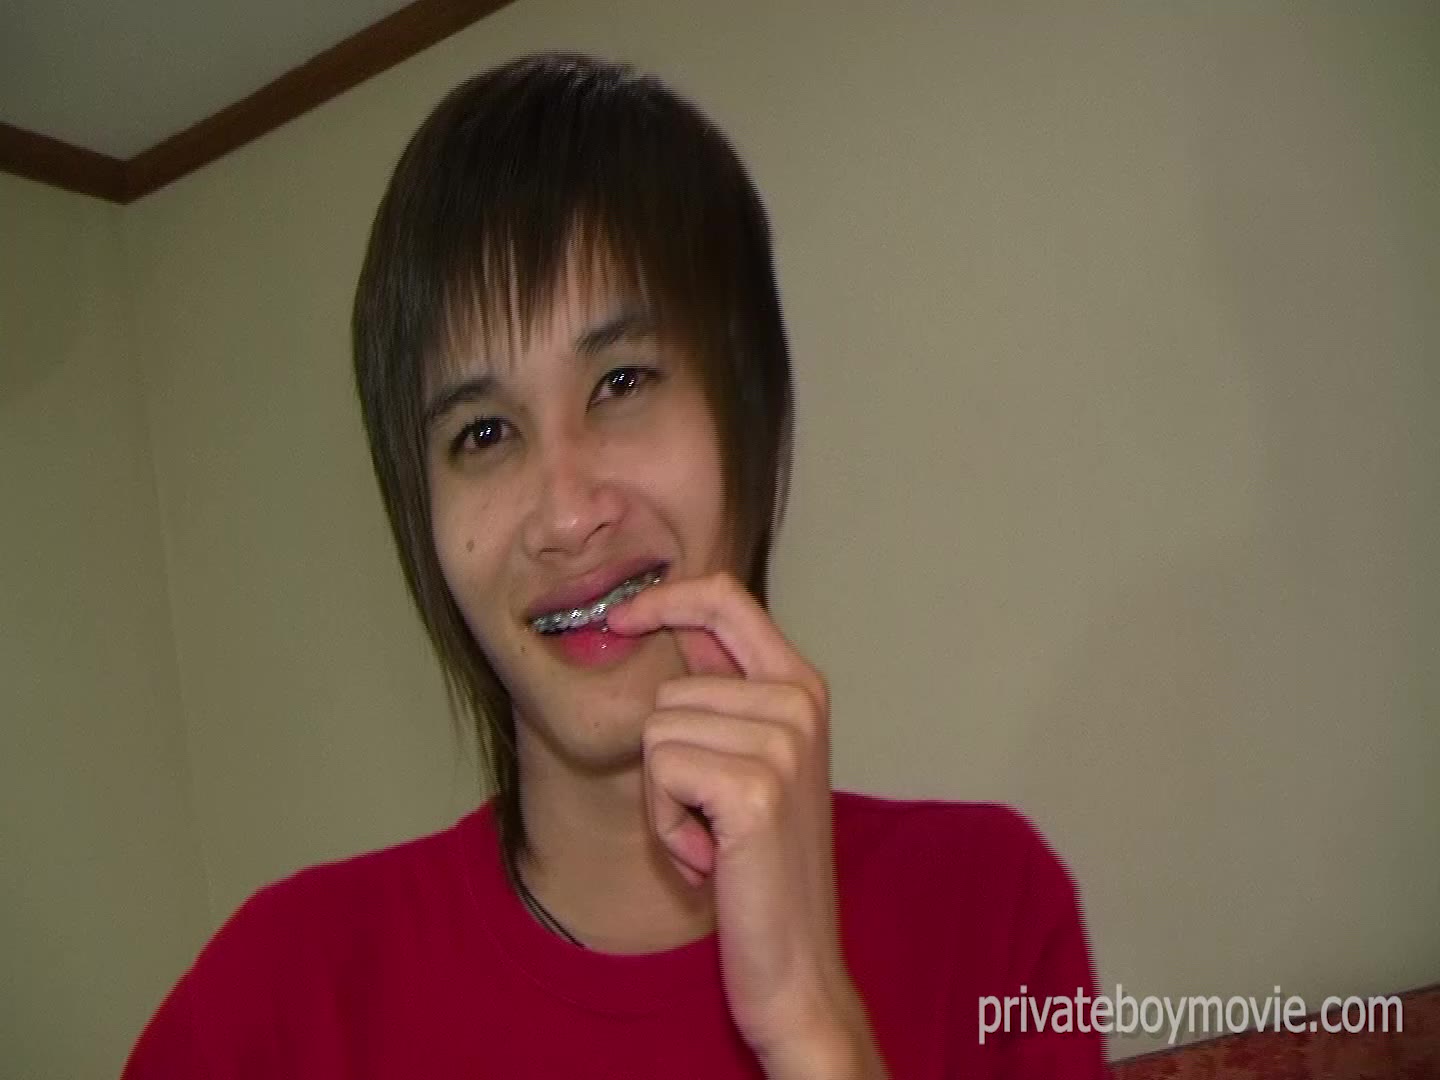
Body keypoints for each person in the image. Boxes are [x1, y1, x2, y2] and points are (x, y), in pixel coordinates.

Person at [123, 53, 1106, 1079]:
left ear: (751, 413)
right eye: (483, 433)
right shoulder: (274, 998)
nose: (566, 513)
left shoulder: (989, 911)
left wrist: (811, 1020)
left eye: (623, 381)